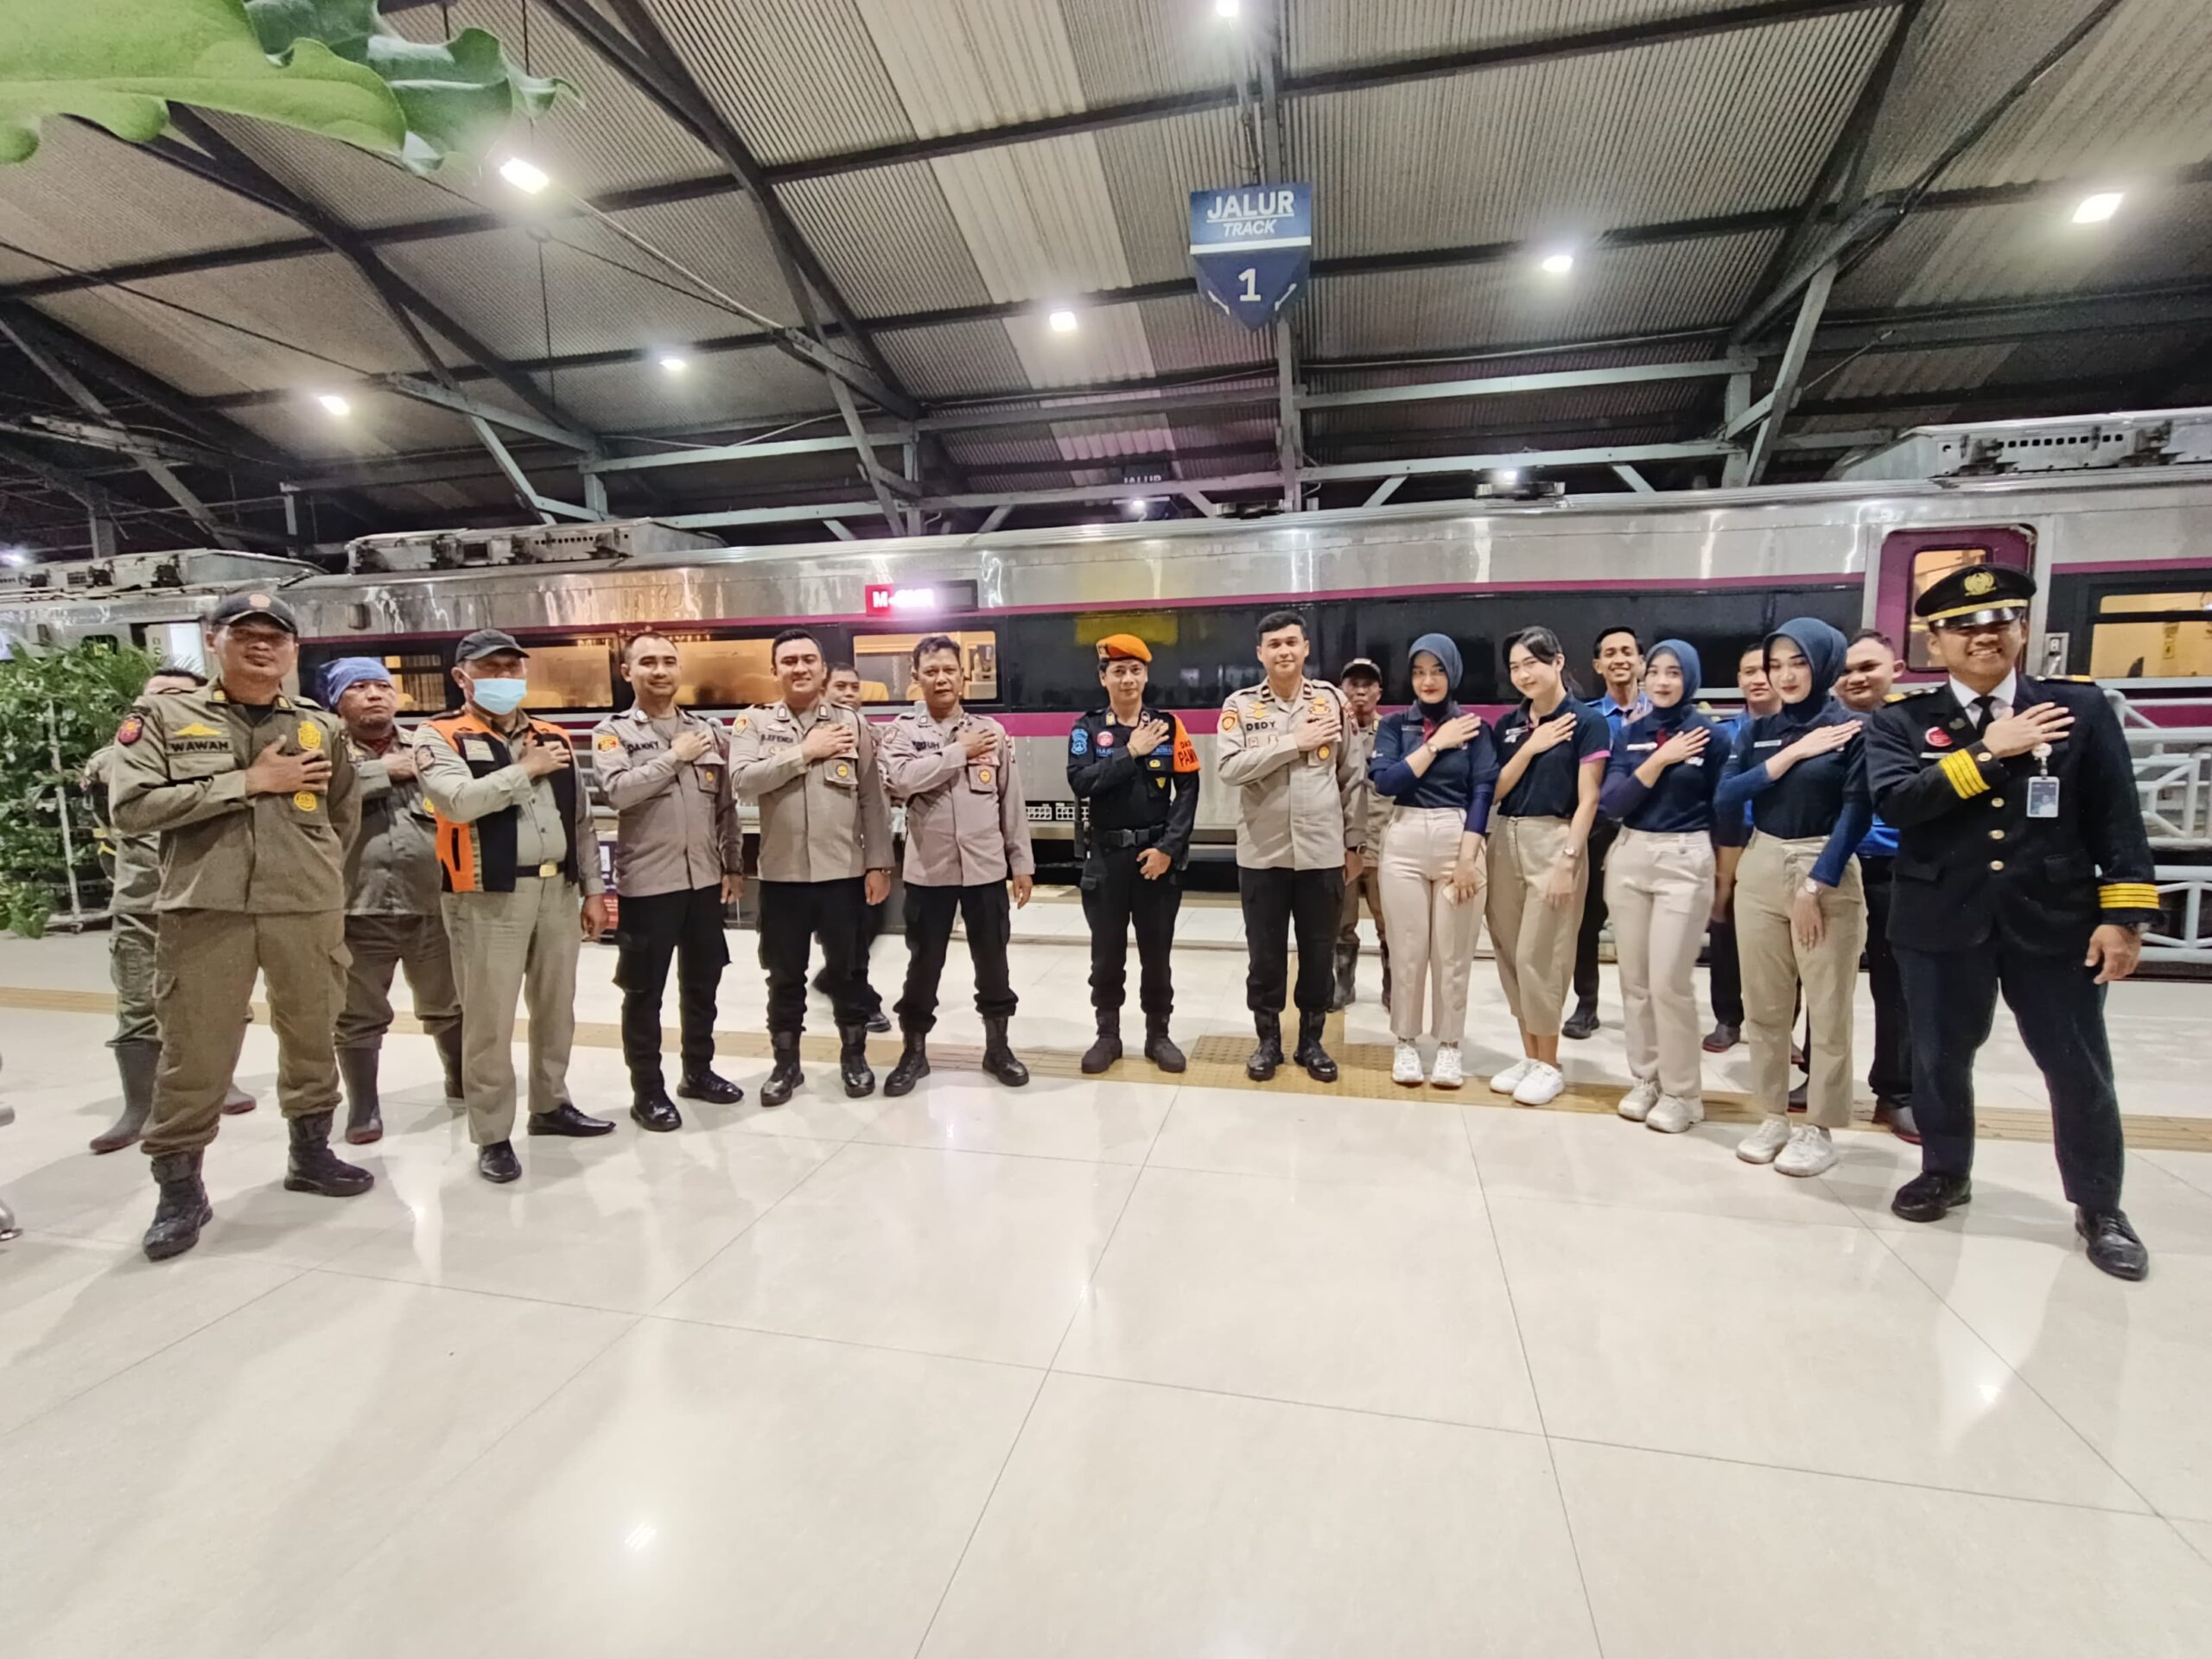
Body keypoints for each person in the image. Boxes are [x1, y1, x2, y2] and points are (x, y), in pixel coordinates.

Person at [1865, 564, 2158, 1281]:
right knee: (1938, 1060)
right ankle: (1944, 1171)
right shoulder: (1901, 720)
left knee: (2077, 1067)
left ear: (2023, 629)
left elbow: (2118, 820)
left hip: (2054, 922)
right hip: (1941, 921)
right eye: (1962, 626)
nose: (1983, 635)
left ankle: (2100, 1206)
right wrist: (1990, 750)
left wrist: (2123, 918)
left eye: (1999, 620)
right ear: (1935, 643)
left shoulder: (2078, 709)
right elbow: (1899, 803)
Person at [108, 590, 371, 1262]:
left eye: (274, 636)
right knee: (196, 1049)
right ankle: (179, 1190)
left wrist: (317, 877)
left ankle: (311, 1153)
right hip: (206, 908)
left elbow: (342, 818)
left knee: (312, 1033)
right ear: (212, 639)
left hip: (304, 906)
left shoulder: (320, 726)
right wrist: (249, 783)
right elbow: (131, 809)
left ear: (293, 649)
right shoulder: (163, 717)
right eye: (243, 632)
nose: (261, 645)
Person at [416, 629, 612, 1185]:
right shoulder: (439, 736)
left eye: (512, 668)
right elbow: (457, 802)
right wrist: (525, 769)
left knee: (556, 1009)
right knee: (489, 1018)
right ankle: (492, 1133)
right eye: (491, 668)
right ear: (462, 677)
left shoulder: (553, 736)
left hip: (557, 893)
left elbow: (581, 820)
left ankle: (550, 1105)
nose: (505, 677)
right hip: (487, 896)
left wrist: (594, 889)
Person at [1714, 619, 1870, 1178]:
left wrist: (1815, 884)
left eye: (1798, 662)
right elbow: (1726, 795)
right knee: (1765, 1004)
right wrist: (1791, 754)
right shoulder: (1758, 730)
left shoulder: (1852, 729)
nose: (1785, 675)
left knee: (1827, 1007)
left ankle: (1819, 1126)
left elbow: (1857, 812)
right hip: (1760, 859)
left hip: (1823, 863)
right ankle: (1773, 1115)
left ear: (1823, 664)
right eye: (1775, 664)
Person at [85, 666, 258, 1154]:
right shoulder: (117, 757)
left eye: (181, 697)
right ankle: (139, 1107)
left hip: (210, 896)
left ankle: (221, 1082)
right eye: (159, 697)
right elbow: (115, 808)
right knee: (138, 1005)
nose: (168, 705)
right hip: (143, 903)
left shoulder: (227, 753)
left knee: (224, 1004)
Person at [729, 627, 894, 1105]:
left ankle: (854, 1058)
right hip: (782, 879)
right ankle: (786, 1066)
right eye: (789, 661)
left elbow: (872, 799)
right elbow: (742, 780)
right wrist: (805, 752)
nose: (799, 668)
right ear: (774, 670)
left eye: (808, 660)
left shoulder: (853, 724)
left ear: (823, 670)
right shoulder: (754, 723)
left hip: (843, 875)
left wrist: (879, 863)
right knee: (784, 977)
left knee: (850, 973)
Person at [591, 633, 746, 1133]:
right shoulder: (613, 733)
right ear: (627, 672)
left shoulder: (707, 732)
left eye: (668, 662)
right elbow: (617, 792)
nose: (660, 671)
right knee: (644, 993)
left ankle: (698, 1072)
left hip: (703, 882)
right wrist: (674, 757)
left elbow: (726, 806)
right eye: (648, 662)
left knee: (703, 985)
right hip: (648, 887)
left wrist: (733, 864)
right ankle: (648, 1092)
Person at [877, 634, 1036, 1094]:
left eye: (949, 670)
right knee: (924, 965)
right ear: (916, 678)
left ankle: (998, 1048)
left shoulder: (992, 732)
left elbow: (1010, 801)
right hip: (929, 871)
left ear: (963, 676)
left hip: (986, 870)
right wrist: (956, 753)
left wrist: (1021, 862)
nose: (941, 678)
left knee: (994, 962)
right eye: (931, 671)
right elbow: (901, 781)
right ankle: (914, 1052)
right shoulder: (902, 733)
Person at [1217, 610, 1365, 1082]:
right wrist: (1292, 742)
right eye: (1274, 644)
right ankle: (1267, 1042)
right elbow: (1229, 768)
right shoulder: (1240, 706)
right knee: (1265, 956)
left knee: (1319, 954)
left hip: (1322, 853)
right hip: (1263, 855)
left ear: (1305, 648)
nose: (1283, 651)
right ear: (1260, 654)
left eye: (1290, 642)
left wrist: (1355, 843)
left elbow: (1352, 775)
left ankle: (1311, 1042)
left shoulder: (1332, 701)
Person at [326, 657, 463, 1147]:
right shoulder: (322, 747)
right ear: (337, 701)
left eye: (382, 686)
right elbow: (316, 796)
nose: (374, 695)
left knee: (449, 1003)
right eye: (359, 687)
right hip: (355, 907)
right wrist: (381, 771)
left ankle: (460, 1080)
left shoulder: (429, 744)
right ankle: (363, 1107)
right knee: (357, 1014)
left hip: (431, 901)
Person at [1598, 641, 1726, 1134]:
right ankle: (1646, 1078)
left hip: (1685, 857)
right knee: (1634, 981)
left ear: (1689, 678)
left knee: (1668, 983)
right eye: (1655, 672)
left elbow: (1726, 810)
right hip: (1631, 854)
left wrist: (1724, 877)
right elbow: (1614, 803)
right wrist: (1659, 759)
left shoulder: (1712, 736)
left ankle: (1683, 1093)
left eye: (1674, 672)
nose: (1663, 681)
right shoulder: (1630, 733)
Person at [1486, 627, 1609, 1105]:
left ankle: (1550, 1063)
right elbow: (1495, 789)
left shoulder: (1586, 722)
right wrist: (1531, 746)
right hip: (1506, 838)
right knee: (1510, 954)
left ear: (1557, 662)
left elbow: (1589, 798)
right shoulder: (1509, 725)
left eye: (1531, 663)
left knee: (1542, 956)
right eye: (1515, 667)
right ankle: (1531, 1056)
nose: (1523, 674)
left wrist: (1569, 860)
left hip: (1555, 840)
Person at [1067, 634, 1200, 1074]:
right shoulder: (1086, 729)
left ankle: (1158, 1035)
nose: (1128, 679)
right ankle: (1108, 1035)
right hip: (1106, 859)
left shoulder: (1169, 726)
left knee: (1156, 954)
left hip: (1155, 860)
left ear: (1146, 676)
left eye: (1136, 671)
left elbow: (1188, 790)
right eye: (1118, 671)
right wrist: (1130, 753)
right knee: (1106, 955)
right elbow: (1081, 781)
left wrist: (1168, 849)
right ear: (1103, 677)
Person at [1368, 633, 1495, 1088]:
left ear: (1453, 673)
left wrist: (1468, 857)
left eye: (1438, 670)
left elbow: (1483, 791)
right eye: (1419, 672)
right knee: (1407, 950)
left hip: (1458, 837)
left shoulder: (1475, 728)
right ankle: (1405, 1041)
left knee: (1453, 953)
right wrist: (1436, 744)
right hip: (1403, 837)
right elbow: (1387, 782)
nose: (1428, 680)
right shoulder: (1393, 726)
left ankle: (1449, 1045)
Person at [1836, 629, 1916, 1141]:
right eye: (1846, 670)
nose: (1856, 678)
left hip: (1895, 871)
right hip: (1834, 868)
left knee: (1897, 987)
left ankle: (1897, 1092)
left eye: (1868, 667)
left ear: (1896, 670)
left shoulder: (1916, 727)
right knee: (1826, 984)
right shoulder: (1825, 728)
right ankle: (1822, 1079)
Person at [1567, 626, 1648, 1038]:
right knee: (1586, 923)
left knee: (1647, 928)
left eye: (1627, 652)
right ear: (1597, 665)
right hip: (1598, 831)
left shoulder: (1663, 713)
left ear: (1641, 661)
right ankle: (1586, 1005)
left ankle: (1646, 1010)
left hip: (1648, 831)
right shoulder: (1587, 718)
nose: (1620, 659)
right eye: (1610, 653)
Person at [1703, 643, 1780, 1053]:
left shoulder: (1799, 730)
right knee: (1725, 936)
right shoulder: (1722, 734)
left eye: (1765, 670)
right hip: (1729, 845)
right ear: (1739, 680)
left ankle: (1781, 1030)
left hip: (1779, 843)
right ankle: (1727, 1019)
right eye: (1748, 672)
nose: (1757, 679)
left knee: (1781, 946)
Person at [817, 662, 891, 1034]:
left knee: (873, 920)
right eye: (840, 686)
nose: (848, 694)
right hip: (834, 853)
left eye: (854, 687)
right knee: (851, 932)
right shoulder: (816, 736)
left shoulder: (872, 734)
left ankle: (836, 980)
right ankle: (859, 1001)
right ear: (824, 690)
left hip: (870, 849)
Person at [1332, 658, 1390, 1010]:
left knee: (1390, 923)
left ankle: (1392, 986)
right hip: (1342, 845)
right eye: (1353, 684)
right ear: (1342, 690)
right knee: (1341, 922)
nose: (1360, 691)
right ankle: (1344, 985)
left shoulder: (1393, 733)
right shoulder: (1331, 732)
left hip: (1385, 844)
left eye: (1368, 685)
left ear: (1379, 692)